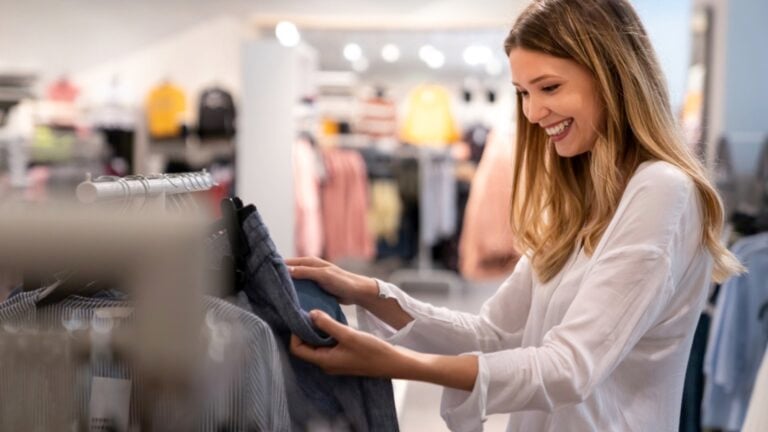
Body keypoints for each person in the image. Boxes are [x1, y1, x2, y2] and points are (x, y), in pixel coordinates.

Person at [287, 0, 745, 430]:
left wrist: (398, 363)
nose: (532, 111)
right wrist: (370, 292)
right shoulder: (582, 199)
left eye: (549, 87)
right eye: (523, 92)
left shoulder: (663, 190)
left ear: (611, 75)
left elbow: (569, 367)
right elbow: (494, 334)